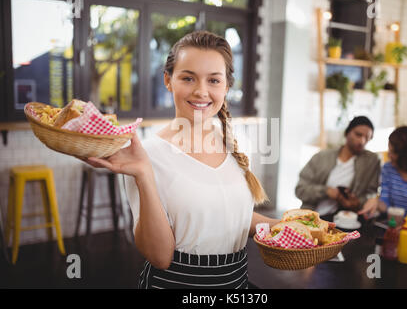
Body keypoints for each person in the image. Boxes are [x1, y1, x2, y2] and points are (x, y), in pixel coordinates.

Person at [83, 31, 280, 289]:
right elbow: (159, 256)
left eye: (213, 80)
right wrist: (143, 174)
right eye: (188, 78)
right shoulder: (147, 155)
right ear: (168, 80)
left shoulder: (236, 144)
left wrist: (288, 224)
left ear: (226, 87)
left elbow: (229, 214)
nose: (201, 91)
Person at [295, 116, 381, 217]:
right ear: (346, 133)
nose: (362, 141)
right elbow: (300, 190)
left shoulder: (371, 161)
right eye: (358, 134)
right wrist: (326, 191)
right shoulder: (321, 157)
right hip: (310, 216)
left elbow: (372, 194)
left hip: (344, 220)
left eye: (367, 138)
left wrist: (356, 203)